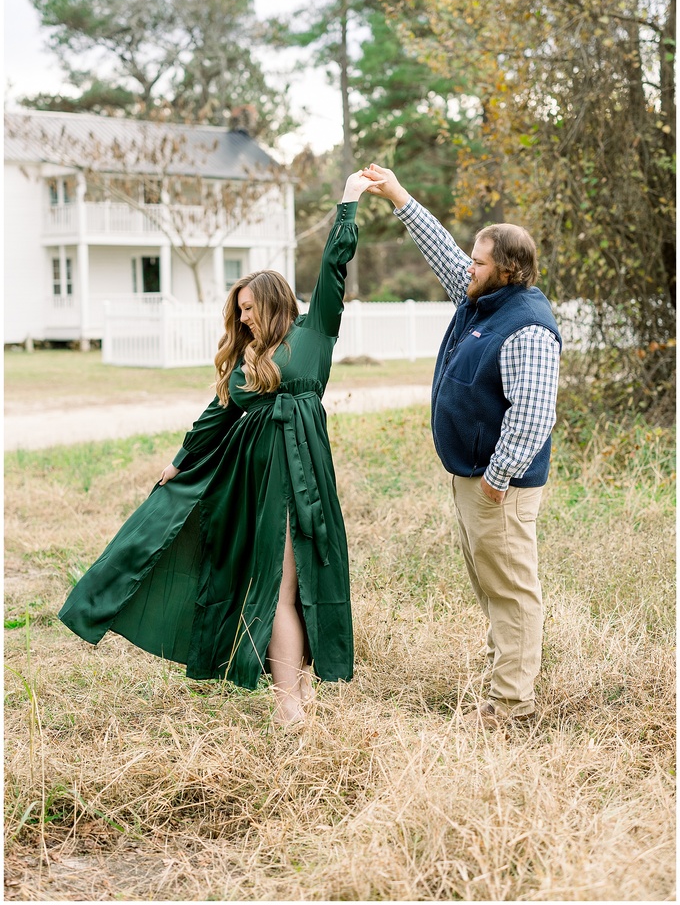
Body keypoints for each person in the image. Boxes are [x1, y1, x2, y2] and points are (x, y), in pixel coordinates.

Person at [59, 171, 380, 728]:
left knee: (295, 580)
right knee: (275, 582)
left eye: (251, 307)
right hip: (249, 482)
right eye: (240, 310)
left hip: (300, 473)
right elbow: (214, 419)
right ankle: (289, 701)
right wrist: (179, 463)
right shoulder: (242, 361)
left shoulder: (314, 333)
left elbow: (333, 264)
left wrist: (349, 200)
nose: (244, 317)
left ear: (275, 303)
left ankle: (292, 699)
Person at [363, 164, 561, 728]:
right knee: (493, 584)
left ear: (507, 270)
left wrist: (498, 477)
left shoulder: (527, 326)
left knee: (512, 589)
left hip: (500, 485)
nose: (466, 268)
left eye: (478, 261)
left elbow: (534, 411)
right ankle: (506, 684)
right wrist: (397, 194)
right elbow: (442, 250)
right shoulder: (482, 298)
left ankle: (511, 707)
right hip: (473, 477)